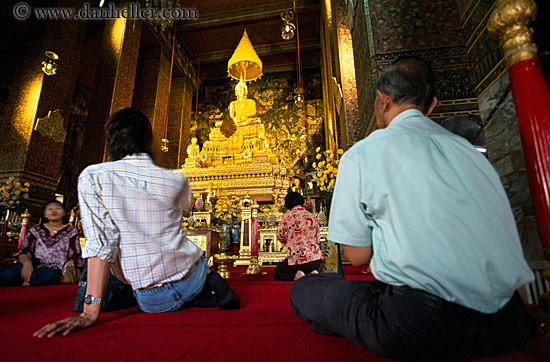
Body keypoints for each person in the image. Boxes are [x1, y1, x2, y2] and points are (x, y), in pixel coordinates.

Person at [289, 57, 535, 361]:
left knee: (304, 291)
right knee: (344, 295)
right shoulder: (470, 153)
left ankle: (330, 313)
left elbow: (356, 257)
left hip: (422, 325)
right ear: (430, 106)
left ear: (383, 100)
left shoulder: (362, 154)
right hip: (507, 322)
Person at [34, 108, 239, 338]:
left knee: (115, 267)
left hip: (153, 299)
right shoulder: (177, 179)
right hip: (189, 274)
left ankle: (201, 291)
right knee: (192, 261)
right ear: (149, 141)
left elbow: (101, 245)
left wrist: (89, 312)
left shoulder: (93, 176)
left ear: (110, 141)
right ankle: (206, 287)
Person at [0, 200, 83, 286]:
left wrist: (77, 273)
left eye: (58, 208)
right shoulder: (35, 229)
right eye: (50, 209)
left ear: (64, 213)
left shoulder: (71, 231)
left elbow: (75, 255)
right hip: (32, 265)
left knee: (50, 274)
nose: (54, 211)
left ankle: (29, 283)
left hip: (54, 269)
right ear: (45, 214)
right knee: (8, 272)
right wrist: (27, 263)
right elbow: (24, 251)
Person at [273, 192, 323, 281]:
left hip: (297, 261)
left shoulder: (287, 217)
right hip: (316, 260)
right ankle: (311, 273)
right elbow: (318, 239)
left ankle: (297, 276)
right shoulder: (311, 216)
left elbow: (281, 237)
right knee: (307, 266)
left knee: (278, 272)